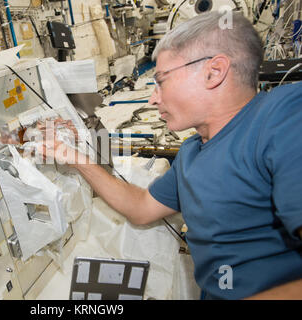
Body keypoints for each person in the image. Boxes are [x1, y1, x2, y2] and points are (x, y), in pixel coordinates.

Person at [40, 11, 302, 299]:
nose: (153, 98)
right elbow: (141, 207)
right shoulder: (193, 152)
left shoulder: (284, 117)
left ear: (213, 72)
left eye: (161, 80)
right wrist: (73, 157)